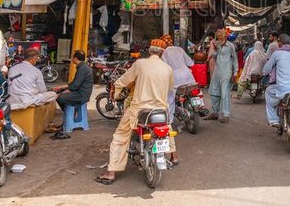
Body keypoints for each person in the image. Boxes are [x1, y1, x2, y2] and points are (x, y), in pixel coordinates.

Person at [95, 39, 175, 185]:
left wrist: (116, 91)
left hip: (139, 110)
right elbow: (170, 88)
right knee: (167, 128)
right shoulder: (168, 68)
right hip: (161, 111)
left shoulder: (140, 64)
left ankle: (111, 172)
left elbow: (123, 81)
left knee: (120, 137)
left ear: (149, 51)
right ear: (162, 52)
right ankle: (173, 156)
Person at [161, 33, 196, 143]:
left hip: (176, 77)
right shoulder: (180, 49)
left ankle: (169, 122)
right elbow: (190, 63)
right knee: (194, 92)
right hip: (188, 75)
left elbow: (164, 67)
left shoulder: (164, 53)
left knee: (170, 99)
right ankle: (200, 106)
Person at [49, 50, 94, 129]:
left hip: (81, 95)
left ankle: (72, 112)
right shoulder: (82, 67)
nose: (71, 59)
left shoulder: (83, 69)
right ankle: (70, 112)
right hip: (79, 91)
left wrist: (61, 93)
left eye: (72, 57)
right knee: (58, 92)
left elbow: (74, 87)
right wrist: (60, 88)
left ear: (76, 58)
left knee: (60, 97)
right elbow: (73, 83)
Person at [205, 29, 238, 123]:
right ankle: (215, 112)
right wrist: (214, 50)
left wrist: (235, 73)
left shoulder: (230, 46)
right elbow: (216, 55)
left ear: (225, 37)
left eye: (220, 37)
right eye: (218, 38)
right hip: (217, 71)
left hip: (226, 72)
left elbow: (234, 59)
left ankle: (225, 114)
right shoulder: (218, 45)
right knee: (213, 91)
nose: (219, 39)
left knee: (224, 94)